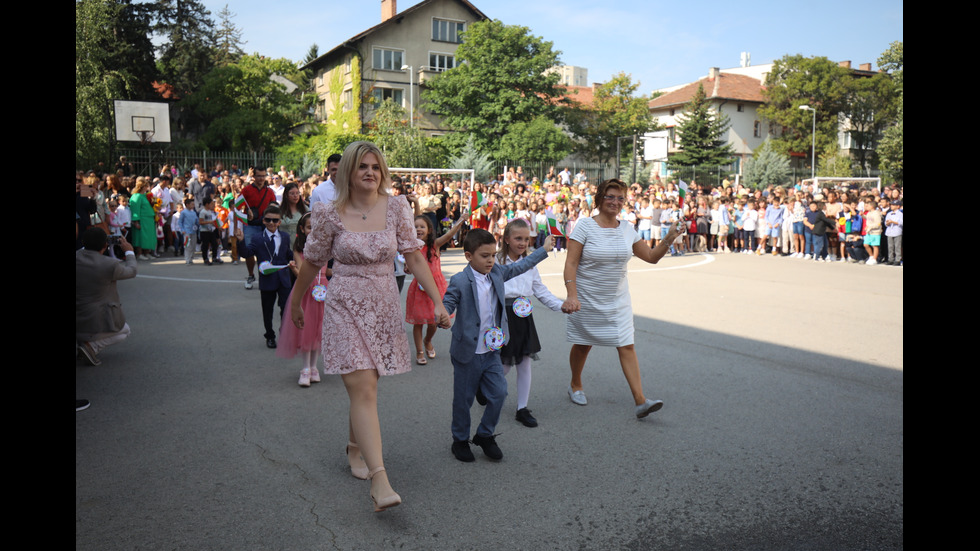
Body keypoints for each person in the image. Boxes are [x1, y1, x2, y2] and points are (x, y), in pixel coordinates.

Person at [289, 141, 450, 513]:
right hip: (344, 301)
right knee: (362, 386)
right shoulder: (329, 213)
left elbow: (414, 257)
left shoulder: (396, 208)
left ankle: (355, 447)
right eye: (363, 166)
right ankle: (381, 480)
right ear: (348, 170)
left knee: (367, 383)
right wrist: (296, 302)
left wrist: (438, 302)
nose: (370, 173)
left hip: (382, 303)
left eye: (376, 167)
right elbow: (312, 262)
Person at [560, 179, 682, 418]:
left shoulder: (627, 228)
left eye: (620, 198)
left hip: (618, 300)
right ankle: (575, 384)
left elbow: (650, 256)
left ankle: (640, 400)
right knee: (584, 344)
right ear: (599, 200)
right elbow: (571, 263)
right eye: (610, 197)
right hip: (587, 297)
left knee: (626, 344)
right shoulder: (584, 226)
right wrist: (571, 294)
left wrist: (669, 238)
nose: (615, 202)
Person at [443, 229, 554, 463]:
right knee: (463, 400)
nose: (490, 260)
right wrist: (442, 314)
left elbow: (520, 267)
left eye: (493, 255)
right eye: (484, 256)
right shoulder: (460, 280)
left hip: (492, 348)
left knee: (499, 393)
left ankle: (484, 435)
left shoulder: (496, 273)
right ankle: (460, 440)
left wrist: (543, 250)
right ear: (468, 256)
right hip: (468, 352)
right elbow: (448, 303)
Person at [496, 219, 566, 428]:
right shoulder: (498, 262)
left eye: (527, 239)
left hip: (523, 315)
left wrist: (561, 306)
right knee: (506, 364)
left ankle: (522, 408)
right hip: (504, 315)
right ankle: (488, 388)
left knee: (525, 361)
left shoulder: (531, 264)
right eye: (518, 238)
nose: (523, 243)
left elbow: (540, 290)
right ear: (506, 239)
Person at [405, 213, 466, 365]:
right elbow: (410, 267)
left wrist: (460, 221)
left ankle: (428, 340)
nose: (418, 229)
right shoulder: (412, 248)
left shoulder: (435, 245)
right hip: (418, 289)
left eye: (422, 227)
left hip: (435, 288)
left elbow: (450, 234)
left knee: (433, 322)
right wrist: (408, 269)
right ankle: (419, 351)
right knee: (418, 323)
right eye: (416, 226)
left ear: (429, 230)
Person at [278, 213, 331, 386]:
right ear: (302, 229)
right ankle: (305, 368)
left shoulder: (326, 248)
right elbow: (302, 273)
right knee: (306, 328)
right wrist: (294, 270)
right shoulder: (299, 250)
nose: (313, 231)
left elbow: (328, 271)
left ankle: (315, 367)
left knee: (318, 330)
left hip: (322, 290)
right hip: (307, 291)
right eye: (309, 227)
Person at [76, 228, 137, 366]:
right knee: (125, 330)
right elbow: (132, 271)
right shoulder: (110, 265)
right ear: (105, 245)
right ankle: (92, 346)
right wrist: (129, 251)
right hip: (93, 322)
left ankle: (85, 343)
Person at [235, 205, 293, 348]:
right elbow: (247, 254)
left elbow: (288, 254)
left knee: (286, 309)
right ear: (263, 221)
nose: (272, 223)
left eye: (275, 220)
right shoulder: (257, 238)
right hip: (268, 279)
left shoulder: (285, 237)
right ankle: (270, 335)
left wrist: (295, 260)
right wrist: (241, 241)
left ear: (280, 222)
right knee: (267, 310)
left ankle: (284, 333)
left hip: (284, 279)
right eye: (268, 220)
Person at [237, 167, 277, 290]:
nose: (261, 178)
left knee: (266, 252)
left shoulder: (269, 191)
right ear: (253, 176)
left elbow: (274, 206)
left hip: (265, 226)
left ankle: (264, 276)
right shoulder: (247, 190)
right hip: (250, 226)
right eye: (259, 176)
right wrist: (245, 214)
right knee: (249, 252)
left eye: (263, 176)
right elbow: (236, 207)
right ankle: (250, 275)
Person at [198, 196, 223, 265]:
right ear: (207, 204)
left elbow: (213, 221)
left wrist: (218, 226)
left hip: (211, 230)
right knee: (205, 245)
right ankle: (205, 258)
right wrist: (209, 222)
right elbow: (200, 222)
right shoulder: (203, 212)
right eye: (211, 204)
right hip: (204, 231)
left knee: (215, 244)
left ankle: (214, 257)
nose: (213, 205)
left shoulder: (210, 212)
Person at [884, 199, 903, 265]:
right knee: (890, 246)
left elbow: (901, 222)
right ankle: (890, 259)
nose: (891, 206)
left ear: (898, 206)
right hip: (889, 231)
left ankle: (897, 259)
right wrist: (888, 223)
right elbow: (885, 223)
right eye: (891, 205)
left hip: (897, 231)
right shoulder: (889, 214)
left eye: (893, 205)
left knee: (897, 246)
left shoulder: (900, 214)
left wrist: (893, 222)